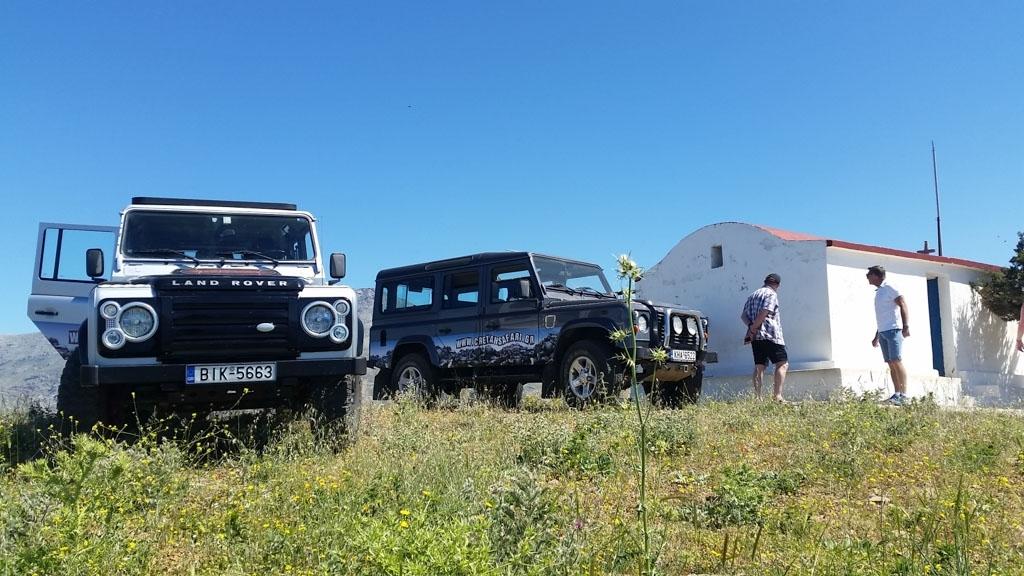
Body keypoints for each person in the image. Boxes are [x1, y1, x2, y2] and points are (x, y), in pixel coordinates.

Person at [866, 265, 910, 405]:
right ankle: (896, 394)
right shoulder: (879, 292)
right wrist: (876, 336)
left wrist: (906, 326)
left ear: (876, 275)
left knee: (897, 360)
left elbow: (903, 304)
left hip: (893, 330)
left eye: (870, 274)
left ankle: (904, 395)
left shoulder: (890, 287)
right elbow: (883, 316)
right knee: (891, 363)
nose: (867, 277)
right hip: (883, 331)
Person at [741, 273, 788, 401]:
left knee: (759, 366)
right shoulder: (771, 294)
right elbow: (764, 312)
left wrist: (751, 328)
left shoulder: (753, 295)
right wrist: (755, 327)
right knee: (782, 364)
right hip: (771, 334)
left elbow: (743, 316)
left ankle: (758, 397)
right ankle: (777, 396)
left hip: (755, 337)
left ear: (765, 281)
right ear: (777, 285)